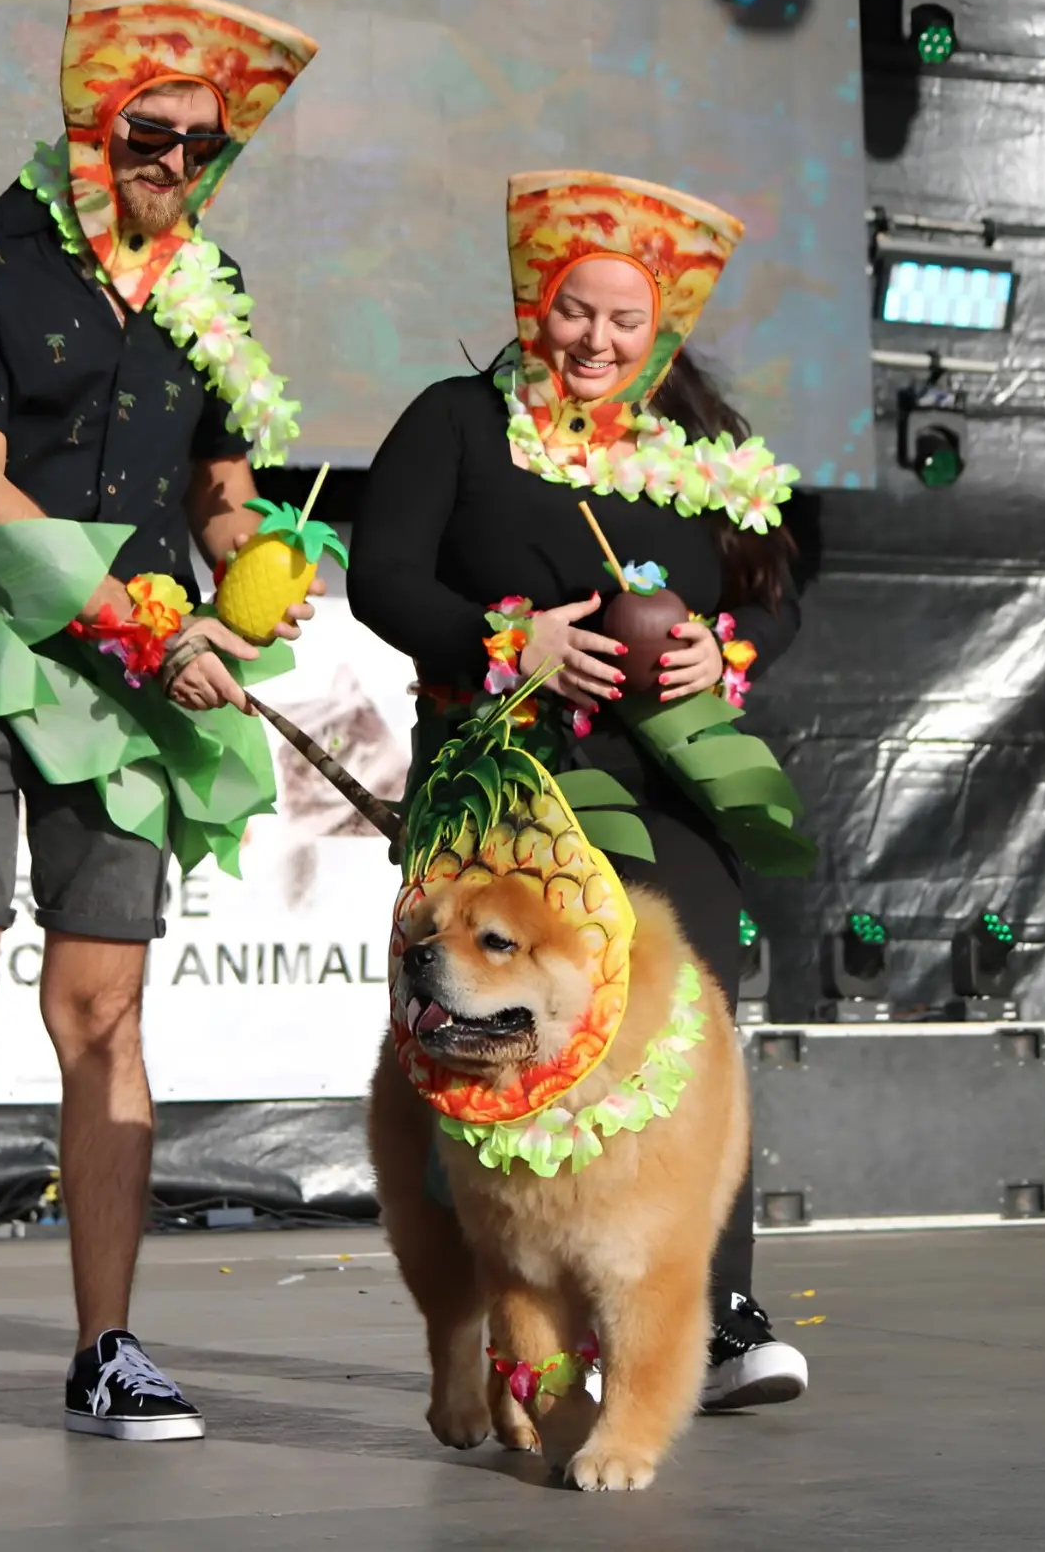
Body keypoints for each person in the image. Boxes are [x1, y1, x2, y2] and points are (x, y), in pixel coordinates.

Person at [0, 0, 321, 1457]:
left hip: (128, 684)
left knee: (103, 1012)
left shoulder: (213, 284)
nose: (174, 160)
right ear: (86, 124)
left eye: (201, 143)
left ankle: (108, 1349)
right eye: (147, 132)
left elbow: (221, 486)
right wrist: (147, 626)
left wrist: (258, 573)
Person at [349, 170, 812, 1412]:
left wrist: (727, 651)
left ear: (660, 329)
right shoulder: (458, 421)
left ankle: (712, 1309)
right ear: (532, 304)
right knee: (493, 1044)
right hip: (510, 778)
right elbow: (382, 578)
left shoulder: (697, 450)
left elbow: (776, 595)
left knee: (692, 1029)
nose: (596, 341)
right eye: (574, 311)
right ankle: (515, 1334)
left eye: (624, 320)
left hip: (670, 779)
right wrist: (512, 642)